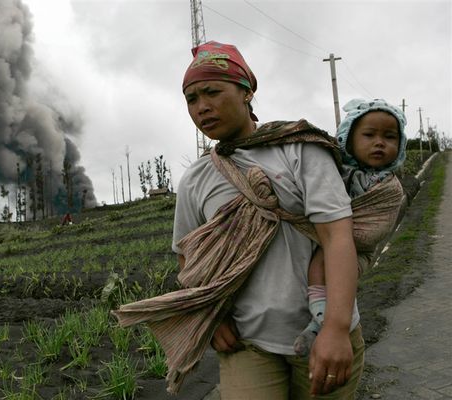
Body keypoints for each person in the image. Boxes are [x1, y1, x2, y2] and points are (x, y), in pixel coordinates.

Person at [113, 41, 363, 399]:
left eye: (212, 91)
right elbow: (189, 261)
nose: (202, 107)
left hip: (322, 328)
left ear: (247, 91)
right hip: (249, 342)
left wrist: (337, 329)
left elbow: (338, 235)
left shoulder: (298, 149)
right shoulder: (197, 179)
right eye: (191, 99)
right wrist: (211, 317)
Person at [294, 99, 407, 356]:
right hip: (335, 239)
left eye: (390, 137)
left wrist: (343, 235)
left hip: (358, 247)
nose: (380, 142)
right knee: (324, 274)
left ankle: (321, 324)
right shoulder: (336, 171)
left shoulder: (387, 184)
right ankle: (320, 319)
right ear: (348, 139)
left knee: (322, 268)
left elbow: (378, 219)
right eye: (369, 135)